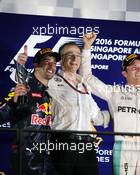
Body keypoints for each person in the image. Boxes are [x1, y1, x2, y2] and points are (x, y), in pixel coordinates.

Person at [80, 33, 140, 175]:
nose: (139, 70)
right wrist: (87, 47)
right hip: (123, 146)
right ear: (124, 73)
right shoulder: (115, 92)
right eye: (134, 67)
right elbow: (87, 78)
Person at [47, 36, 109, 175]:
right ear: (60, 59)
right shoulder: (51, 81)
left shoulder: (84, 85)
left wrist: (118, 113)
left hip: (87, 146)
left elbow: (97, 118)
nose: (75, 59)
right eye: (70, 55)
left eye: (77, 55)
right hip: (62, 144)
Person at [0, 47, 60, 175]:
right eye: (47, 61)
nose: (52, 66)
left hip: (46, 161)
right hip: (26, 161)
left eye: (54, 63)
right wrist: (14, 101)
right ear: (36, 65)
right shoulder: (23, 88)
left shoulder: (48, 94)